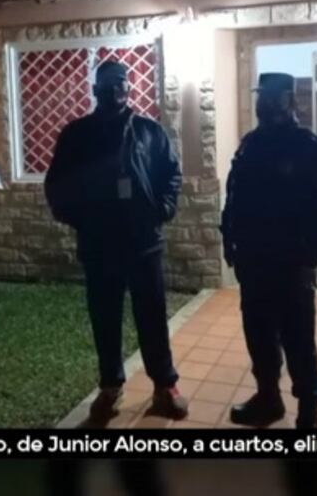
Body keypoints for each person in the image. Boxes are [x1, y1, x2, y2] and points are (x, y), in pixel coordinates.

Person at [44, 60, 187, 421]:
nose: (114, 90)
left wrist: (163, 208)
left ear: (129, 88)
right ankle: (110, 385)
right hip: (99, 243)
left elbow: (171, 173)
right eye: (106, 84)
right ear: (95, 90)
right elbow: (57, 183)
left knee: (152, 316)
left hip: (143, 241)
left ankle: (164, 384)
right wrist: (78, 219)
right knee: (104, 317)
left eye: (120, 83)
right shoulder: (77, 134)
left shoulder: (149, 131)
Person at [221, 72, 317, 429]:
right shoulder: (249, 145)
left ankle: (308, 412)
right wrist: (230, 238)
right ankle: (268, 398)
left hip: (291, 264)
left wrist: (310, 252)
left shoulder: (310, 148)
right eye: (263, 96)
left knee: (298, 339)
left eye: (276, 97)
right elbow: (234, 197)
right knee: (259, 335)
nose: (267, 103)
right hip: (253, 261)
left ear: (291, 101)